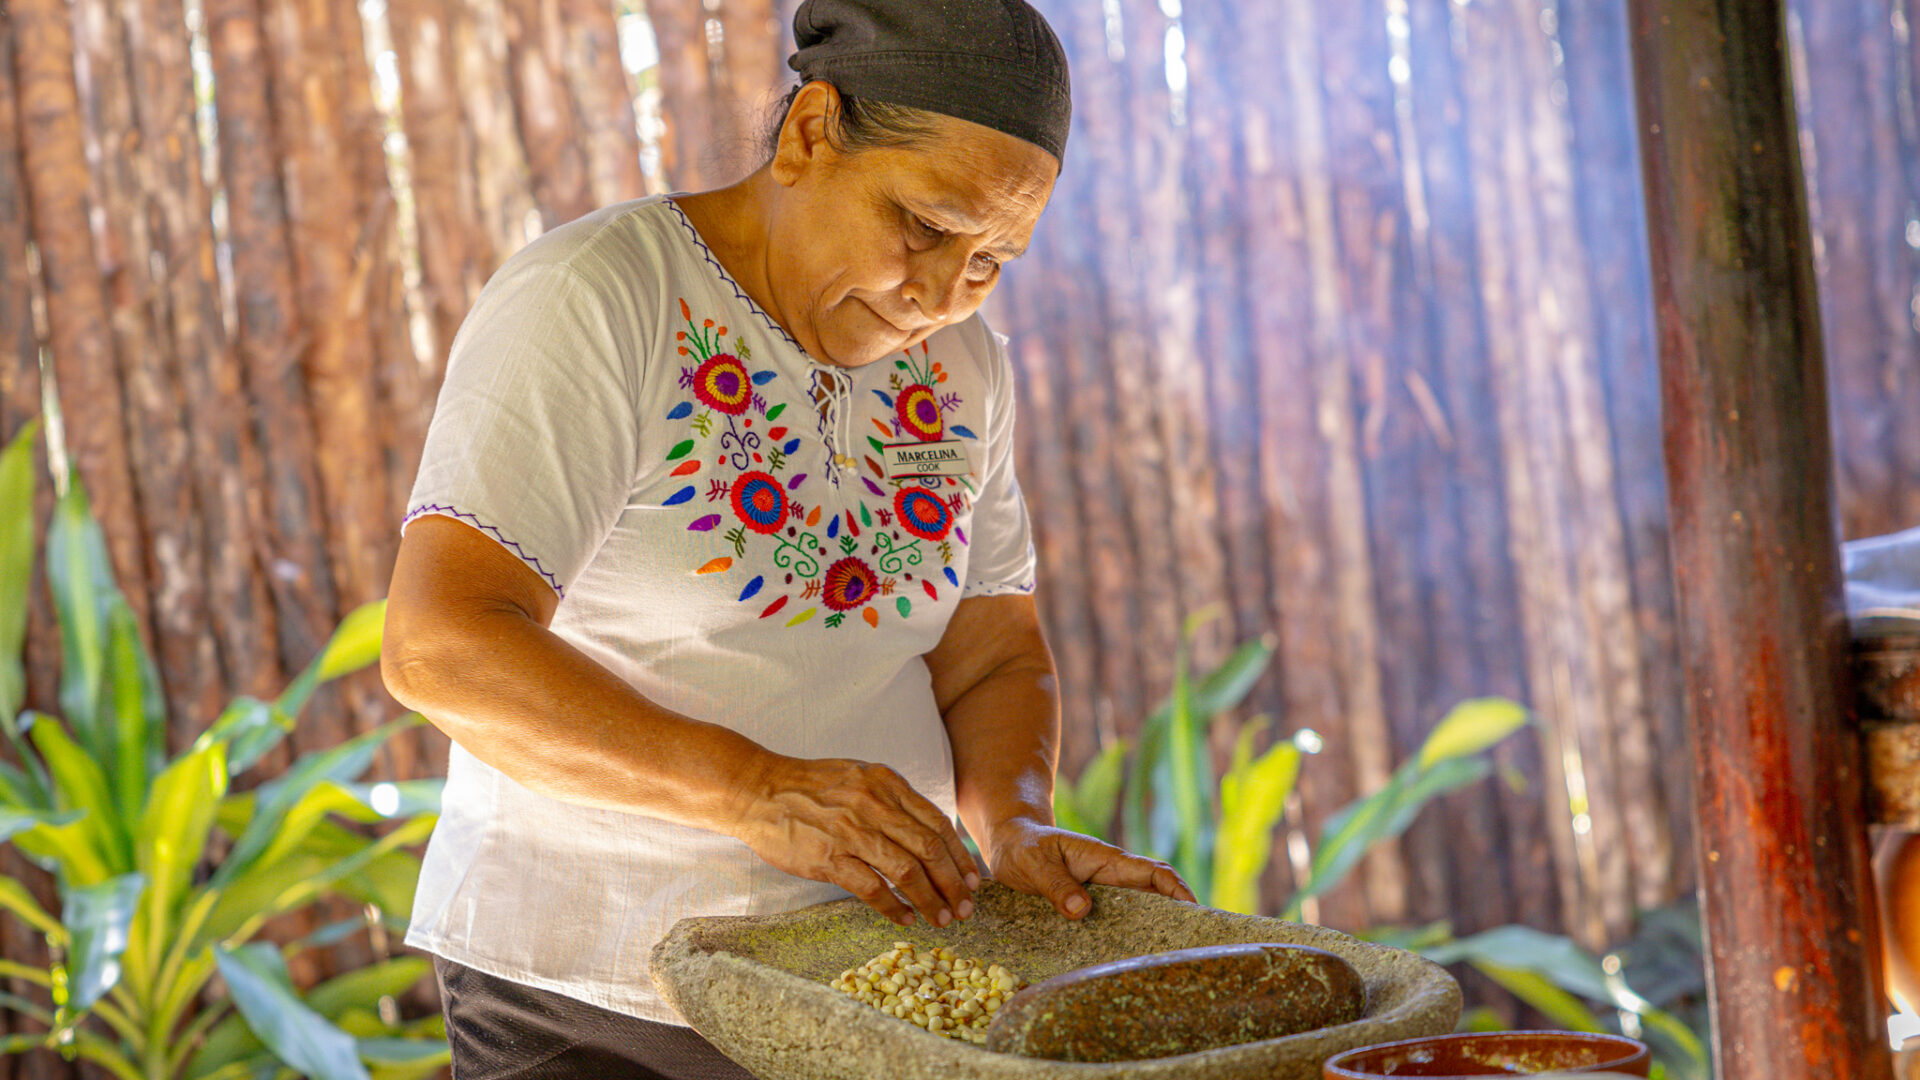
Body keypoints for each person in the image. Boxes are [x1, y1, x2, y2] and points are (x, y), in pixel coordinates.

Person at [380, 1, 1193, 1075]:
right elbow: (441, 648)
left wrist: (1015, 824)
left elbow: (990, 655)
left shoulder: (963, 367)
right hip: (600, 993)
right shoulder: (597, 297)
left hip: (869, 986)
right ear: (811, 131)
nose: (947, 295)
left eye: (995, 260)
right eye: (925, 227)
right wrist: (750, 788)